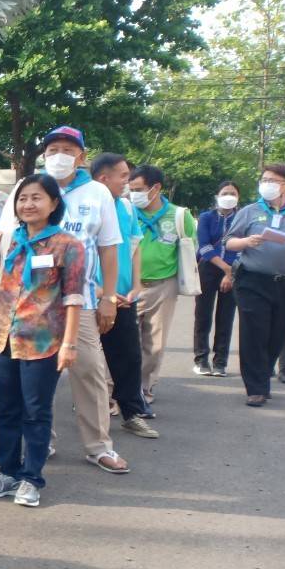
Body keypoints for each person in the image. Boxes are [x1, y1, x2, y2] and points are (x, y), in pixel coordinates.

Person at [0, 126, 130, 473]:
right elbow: (6, 242)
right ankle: (42, 440)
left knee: (89, 370)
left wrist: (109, 298)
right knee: (33, 379)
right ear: (43, 155)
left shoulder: (98, 193)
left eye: (68, 150)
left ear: (81, 156)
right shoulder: (27, 190)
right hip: (28, 307)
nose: (60, 155)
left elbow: (109, 248)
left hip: (79, 301)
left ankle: (98, 445)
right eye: (53, 148)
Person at [0, 175, 85, 508]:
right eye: (23, 199)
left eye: (36, 198)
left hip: (43, 342)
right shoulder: (7, 242)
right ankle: (7, 472)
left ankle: (32, 479)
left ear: (53, 203)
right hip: (1, 338)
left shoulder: (68, 245)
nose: (28, 205)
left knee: (35, 412)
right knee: (6, 411)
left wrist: (70, 344)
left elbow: (74, 297)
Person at [90, 152, 158, 438]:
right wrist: (99, 290)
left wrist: (136, 285)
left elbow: (135, 245)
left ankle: (132, 412)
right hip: (88, 295)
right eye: (123, 177)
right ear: (103, 178)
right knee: (86, 361)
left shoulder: (127, 208)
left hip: (122, 296)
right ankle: (90, 416)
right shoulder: (84, 205)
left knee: (128, 357)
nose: (127, 183)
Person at [224, 163, 285, 406]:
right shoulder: (250, 211)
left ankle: (263, 376)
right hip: (252, 280)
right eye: (264, 179)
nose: (266, 184)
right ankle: (256, 388)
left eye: (273, 180)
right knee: (255, 332)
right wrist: (246, 241)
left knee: (278, 333)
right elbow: (229, 242)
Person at [128, 164, 195, 406]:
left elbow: (189, 248)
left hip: (163, 285)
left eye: (138, 189)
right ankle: (116, 390)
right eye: (130, 188)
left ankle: (145, 388)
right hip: (127, 286)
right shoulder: (126, 211)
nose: (133, 193)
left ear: (156, 188)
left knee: (154, 343)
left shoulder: (178, 215)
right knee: (125, 342)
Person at [193, 181, 241, 377]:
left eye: (233, 193)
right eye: (225, 192)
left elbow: (244, 248)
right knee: (203, 315)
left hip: (235, 270)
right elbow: (204, 246)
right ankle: (201, 359)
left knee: (226, 317)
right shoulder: (206, 217)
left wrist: (231, 273)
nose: (228, 196)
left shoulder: (242, 218)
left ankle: (220, 361)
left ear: (238, 197)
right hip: (208, 268)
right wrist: (225, 268)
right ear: (217, 196)